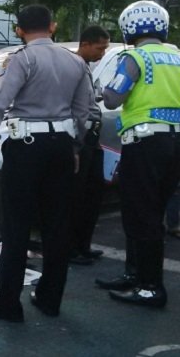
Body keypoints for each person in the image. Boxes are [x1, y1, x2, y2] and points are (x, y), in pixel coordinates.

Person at [0, 4, 92, 322]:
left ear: (18, 30)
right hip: (62, 147)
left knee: (16, 226)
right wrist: (75, 147)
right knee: (57, 226)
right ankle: (50, 299)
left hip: (26, 147)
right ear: (52, 26)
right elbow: (84, 112)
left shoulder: (22, 59)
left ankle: (8, 303)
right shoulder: (77, 61)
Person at [96, 0, 180, 308]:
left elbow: (114, 99)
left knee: (141, 214)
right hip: (176, 144)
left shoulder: (134, 57)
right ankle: (135, 274)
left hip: (144, 144)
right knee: (150, 211)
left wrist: (103, 88)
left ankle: (150, 287)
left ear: (128, 28)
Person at [69, 25, 110, 265]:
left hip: (94, 137)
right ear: (85, 44)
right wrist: (76, 143)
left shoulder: (86, 68)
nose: (102, 53)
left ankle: (83, 244)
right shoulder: (73, 66)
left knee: (93, 194)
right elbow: (74, 106)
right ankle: (71, 247)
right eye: (100, 48)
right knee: (76, 195)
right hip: (81, 136)